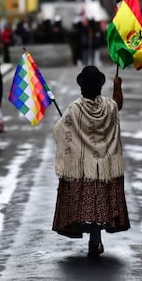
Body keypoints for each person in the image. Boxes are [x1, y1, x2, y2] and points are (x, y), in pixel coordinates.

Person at [52, 65, 130, 258]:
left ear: (82, 87)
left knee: (88, 203)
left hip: (84, 169)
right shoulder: (109, 107)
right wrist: (117, 85)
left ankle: (94, 239)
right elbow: (118, 104)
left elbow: (58, 131)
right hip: (104, 167)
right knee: (99, 202)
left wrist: (66, 125)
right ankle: (96, 239)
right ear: (100, 86)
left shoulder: (74, 109)